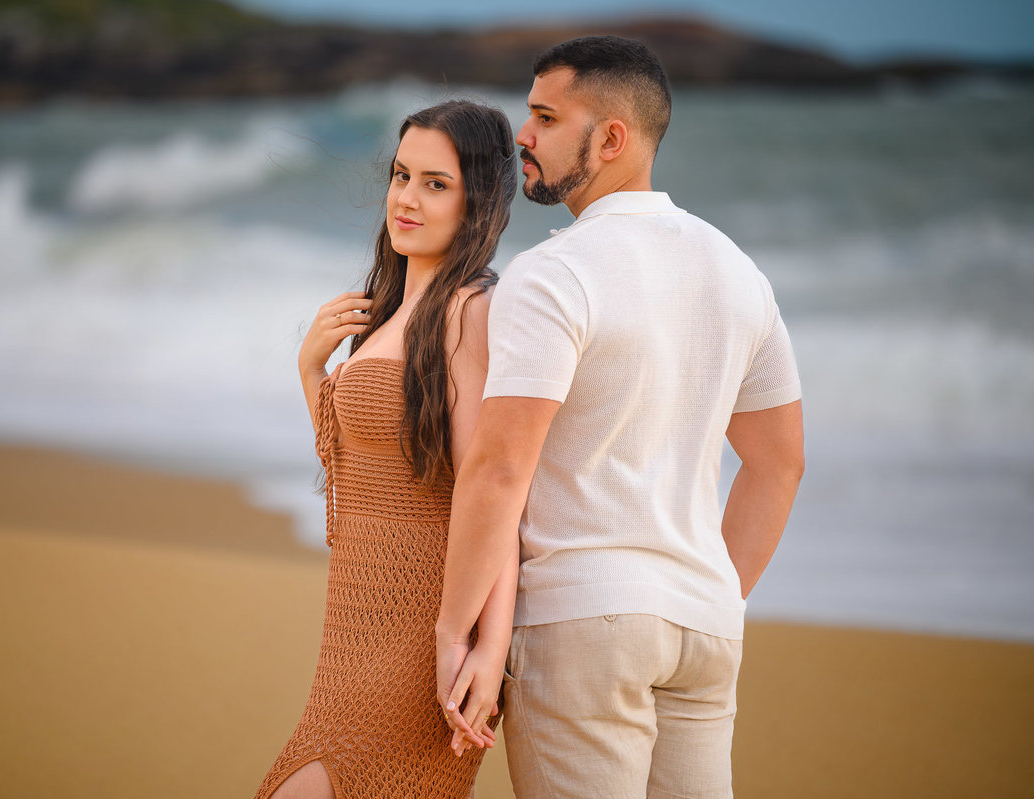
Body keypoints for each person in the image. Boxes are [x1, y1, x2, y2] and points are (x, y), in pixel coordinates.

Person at [435, 36, 806, 798]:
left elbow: (500, 468)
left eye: (545, 118)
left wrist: (452, 629)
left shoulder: (552, 273)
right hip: (705, 625)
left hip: (583, 619)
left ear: (611, 138)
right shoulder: (738, 272)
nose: (523, 135)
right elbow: (779, 461)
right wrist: (709, 592)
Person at [255, 100, 519, 799]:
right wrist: (312, 371)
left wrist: (488, 647)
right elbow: (364, 470)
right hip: (352, 628)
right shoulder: (392, 311)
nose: (406, 198)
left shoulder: (471, 310)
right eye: (402, 175)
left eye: (436, 183)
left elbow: (493, 491)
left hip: (422, 634)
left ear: (477, 201)